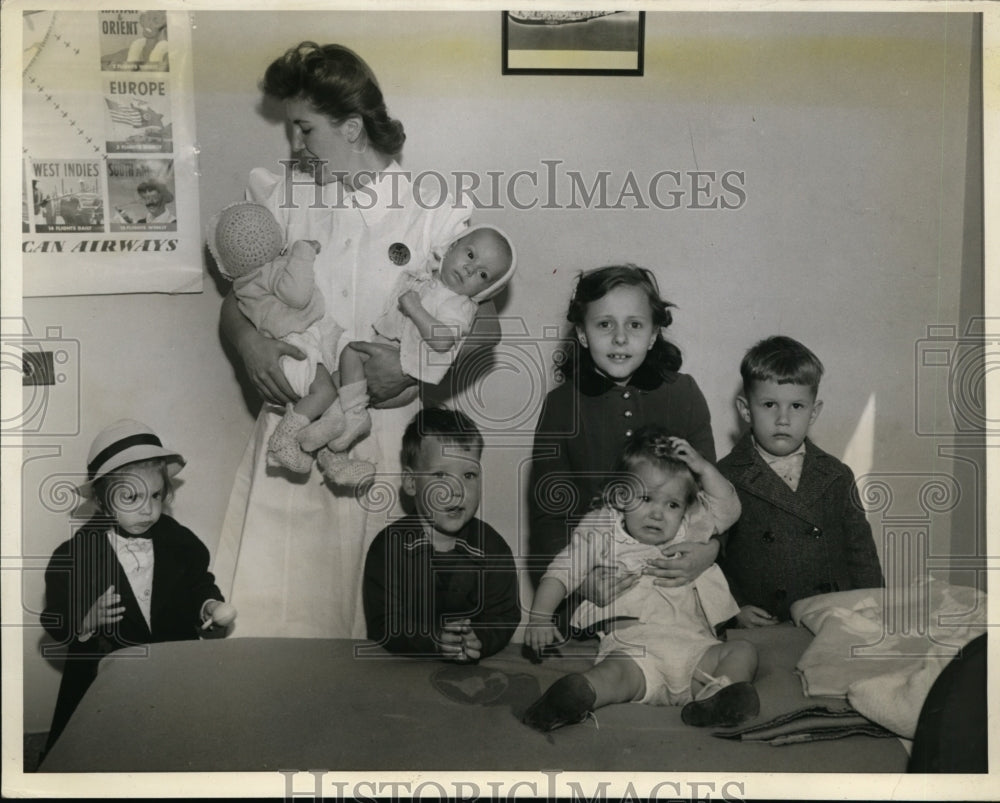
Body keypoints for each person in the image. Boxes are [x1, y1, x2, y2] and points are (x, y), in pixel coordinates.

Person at [213, 42, 472, 639]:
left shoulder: (430, 212)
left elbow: (483, 321)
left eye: (305, 130)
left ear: (352, 127)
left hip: (376, 442)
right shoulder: (283, 197)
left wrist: (410, 369)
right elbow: (240, 298)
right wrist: (247, 346)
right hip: (290, 432)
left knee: (365, 616)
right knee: (272, 613)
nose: (295, 147)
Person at [522, 427, 757, 732]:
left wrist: (703, 468)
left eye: (672, 504)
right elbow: (562, 570)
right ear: (619, 495)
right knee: (614, 675)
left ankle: (717, 698)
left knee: (743, 651)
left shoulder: (689, 529)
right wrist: (540, 617)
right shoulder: (603, 529)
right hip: (634, 651)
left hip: (697, 651)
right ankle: (575, 696)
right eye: (646, 498)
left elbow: (729, 509)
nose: (658, 514)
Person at [528, 264, 721, 634]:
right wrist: (584, 584)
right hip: (599, 591)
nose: (620, 338)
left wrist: (708, 552)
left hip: (676, 583)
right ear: (582, 335)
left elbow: (713, 497)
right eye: (604, 325)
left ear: (653, 335)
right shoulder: (561, 406)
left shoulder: (684, 394)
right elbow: (548, 519)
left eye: (634, 324)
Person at [41, 419, 235, 752]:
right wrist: (85, 621)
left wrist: (208, 606)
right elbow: (54, 617)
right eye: (131, 497)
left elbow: (198, 583)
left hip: (171, 665)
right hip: (105, 675)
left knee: (175, 741)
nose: (147, 508)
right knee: (104, 747)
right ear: (102, 502)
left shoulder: (179, 541)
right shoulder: (74, 555)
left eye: (156, 495)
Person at [325, 224, 516, 485]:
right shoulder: (432, 279)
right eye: (470, 256)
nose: (471, 269)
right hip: (375, 355)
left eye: (482, 274)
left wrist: (406, 361)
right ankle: (333, 455)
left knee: (336, 395)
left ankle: (335, 446)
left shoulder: (459, 305)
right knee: (332, 391)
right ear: (451, 248)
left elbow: (469, 335)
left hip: (400, 378)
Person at [717, 335, 884, 625]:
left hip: (835, 617)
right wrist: (733, 608)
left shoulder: (836, 475)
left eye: (796, 406)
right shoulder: (725, 477)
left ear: (814, 412)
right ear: (746, 410)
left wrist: (876, 606)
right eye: (769, 405)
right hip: (766, 624)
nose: (783, 419)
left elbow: (861, 553)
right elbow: (712, 559)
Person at [362, 408, 520, 659]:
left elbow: (504, 614)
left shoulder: (492, 547)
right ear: (412, 483)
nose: (456, 490)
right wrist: (432, 640)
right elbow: (384, 624)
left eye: (469, 475)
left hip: (470, 675)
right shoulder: (389, 547)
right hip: (404, 673)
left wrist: (479, 639)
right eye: (440, 475)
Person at [208, 201, 338, 473]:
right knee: (326, 393)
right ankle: (284, 439)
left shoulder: (243, 282)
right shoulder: (274, 269)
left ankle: (332, 459)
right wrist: (302, 252)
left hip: (288, 347)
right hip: (296, 345)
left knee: (331, 407)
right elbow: (298, 295)